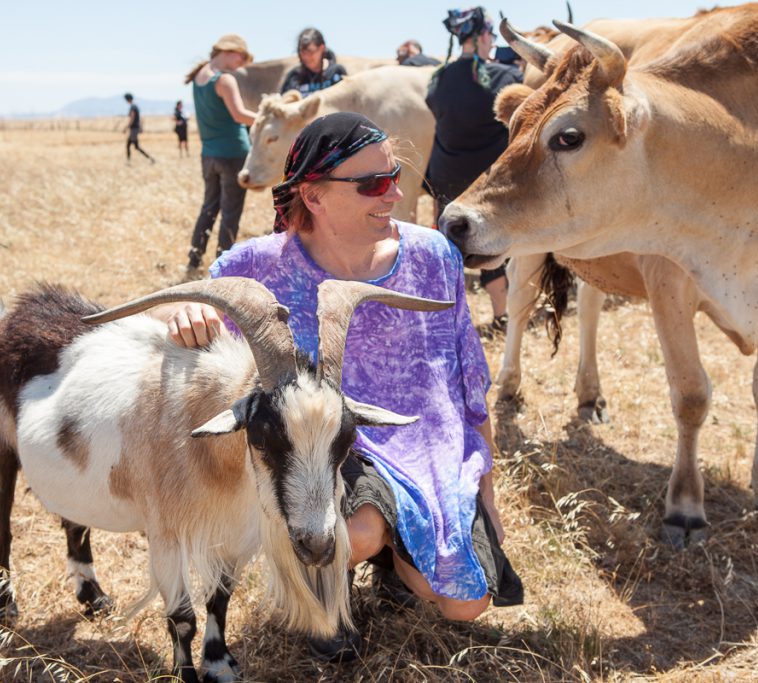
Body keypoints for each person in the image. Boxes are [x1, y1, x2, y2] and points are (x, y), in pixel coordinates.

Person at [155, 112, 523, 661]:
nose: (396, 193)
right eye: (374, 183)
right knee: (356, 531)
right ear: (316, 196)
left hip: (428, 449)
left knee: (461, 604)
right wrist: (183, 311)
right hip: (329, 448)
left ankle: (395, 560)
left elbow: (469, 381)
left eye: (395, 175)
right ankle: (329, 591)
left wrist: (485, 493)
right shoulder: (258, 265)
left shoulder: (432, 256)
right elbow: (196, 309)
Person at [425, 7, 523, 332]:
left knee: (449, 248)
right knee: (489, 247)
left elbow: (435, 108)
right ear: (482, 36)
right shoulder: (503, 76)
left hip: (446, 175)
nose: (492, 41)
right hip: (484, 181)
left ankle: (447, 320)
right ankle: (501, 316)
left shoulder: (438, 78)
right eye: (491, 36)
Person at [183, 35, 258, 276]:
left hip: (209, 155)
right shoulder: (225, 80)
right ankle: (223, 268)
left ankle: (194, 259)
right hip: (233, 153)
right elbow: (239, 116)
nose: (242, 64)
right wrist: (270, 120)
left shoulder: (199, 77)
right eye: (242, 58)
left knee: (209, 207)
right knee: (231, 212)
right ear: (230, 51)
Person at [279, 28, 348, 97]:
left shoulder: (336, 73)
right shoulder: (294, 77)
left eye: (310, 51)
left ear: (321, 48)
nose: (306, 57)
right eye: (302, 52)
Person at [123, 93, 154, 164]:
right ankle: (150, 159)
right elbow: (139, 119)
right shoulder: (135, 106)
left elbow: (132, 118)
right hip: (135, 129)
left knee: (132, 146)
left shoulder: (133, 107)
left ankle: (150, 159)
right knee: (132, 145)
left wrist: (126, 127)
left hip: (134, 129)